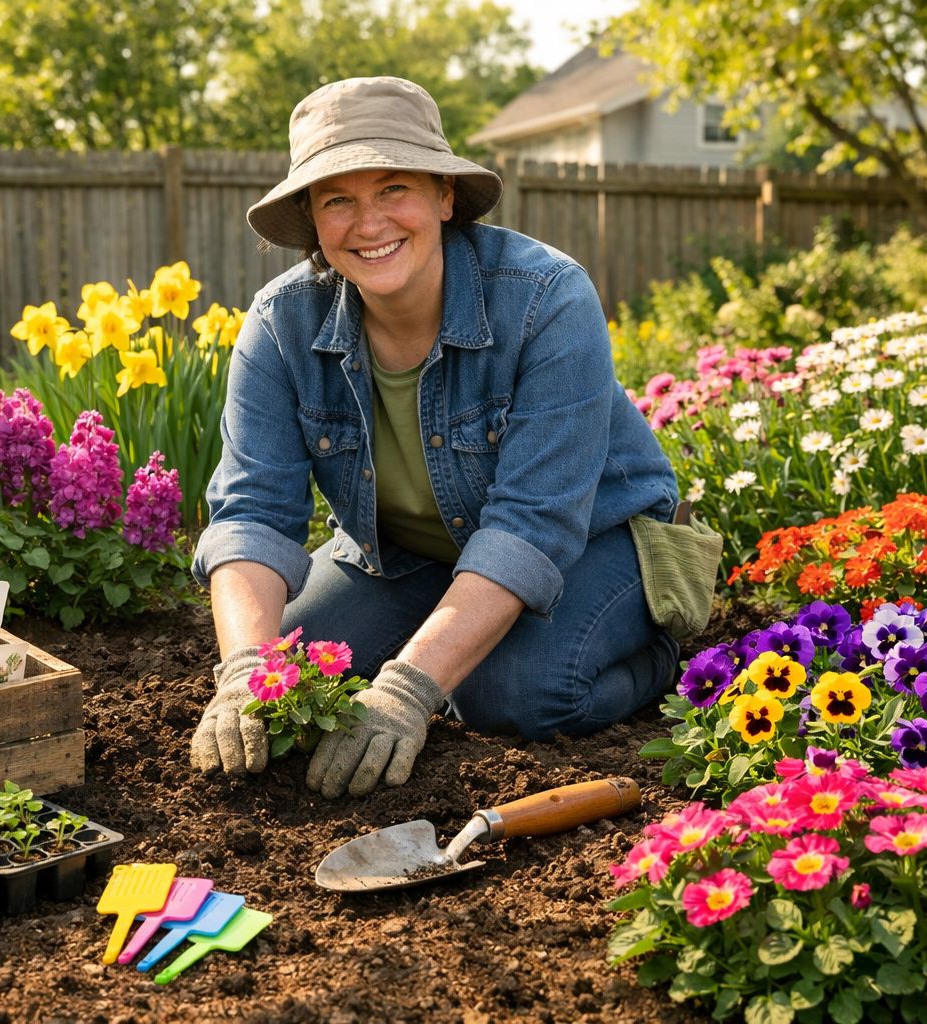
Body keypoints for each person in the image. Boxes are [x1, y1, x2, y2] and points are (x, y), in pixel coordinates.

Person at [190, 76, 696, 799]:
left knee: (511, 695)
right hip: (407, 554)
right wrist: (247, 672)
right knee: (298, 672)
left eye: (393, 187)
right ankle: (446, 642)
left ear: (444, 197)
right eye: (338, 198)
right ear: (311, 218)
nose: (369, 223)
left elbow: (533, 523)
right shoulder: (282, 325)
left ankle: (663, 654)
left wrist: (406, 690)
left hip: (594, 540)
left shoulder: (546, 299)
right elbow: (250, 513)